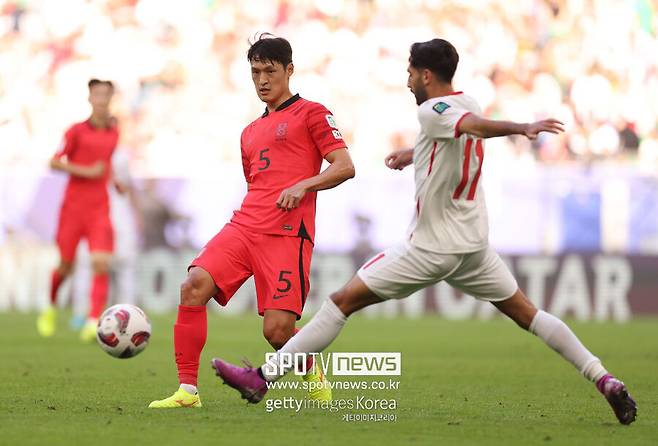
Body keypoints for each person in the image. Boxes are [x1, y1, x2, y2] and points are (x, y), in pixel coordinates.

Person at [211, 39, 637, 426]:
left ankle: (262, 378)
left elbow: (467, 126)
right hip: (474, 248)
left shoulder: (431, 111)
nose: (407, 79)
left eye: (411, 72)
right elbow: (453, 128)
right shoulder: (460, 101)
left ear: (426, 75)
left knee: (340, 303)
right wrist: (414, 152)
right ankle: (605, 379)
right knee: (531, 315)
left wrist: (520, 128)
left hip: (429, 247)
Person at [148, 34, 355, 409]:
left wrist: (304, 184)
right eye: (255, 72)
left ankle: (311, 368)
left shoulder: (312, 112)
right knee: (193, 286)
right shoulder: (248, 132)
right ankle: (187, 393)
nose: (262, 80)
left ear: (289, 70)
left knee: (277, 332)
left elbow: (345, 166)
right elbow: (256, 185)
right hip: (245, 226)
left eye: (270, 71)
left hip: (288, 233)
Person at [37, 79, 119, 343]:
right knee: (65, 267)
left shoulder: (114, 131)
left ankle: (94, 320)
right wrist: (86, 171)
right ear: (90, 98)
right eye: (97, 94)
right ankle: (50, 308)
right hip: (73, 209)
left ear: (110, 98)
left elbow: (105, 164)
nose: (101, 99)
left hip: (99, 208)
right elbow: (53, 162)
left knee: (101, 262)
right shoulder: (75, 131)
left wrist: (114, 179)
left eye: (106, 94)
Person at [70, 148, 139, 328]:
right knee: (124, 270)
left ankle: (83, 314)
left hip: (100, 215)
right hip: (117, 216)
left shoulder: (89, 153)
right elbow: (126, 187)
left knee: (88, 266)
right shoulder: (121, 156)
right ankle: (128, 318)